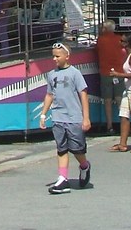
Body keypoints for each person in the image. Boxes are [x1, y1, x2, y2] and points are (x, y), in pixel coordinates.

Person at [39, 42, 92, 194]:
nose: (54, 59)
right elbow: (50, 94)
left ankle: (84, 166)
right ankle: (63, 179)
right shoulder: (51, 74)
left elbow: (83, 94)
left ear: (67, 56)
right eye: (53, 56)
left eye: (57, 56)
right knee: (61, 149)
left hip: (74, 117)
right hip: (58, 117)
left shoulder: (75, 73)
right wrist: (43, 114)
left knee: (77, 150)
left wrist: (86, 118)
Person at [95, 21, 126, 134]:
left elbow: (96, 50)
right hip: (118, 72)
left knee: (107, 100)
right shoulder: (119, 39)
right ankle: (124, 124)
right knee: (119, 99)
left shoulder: (100, 40)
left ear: (105, 29)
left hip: (105, 72)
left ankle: (109, 126)